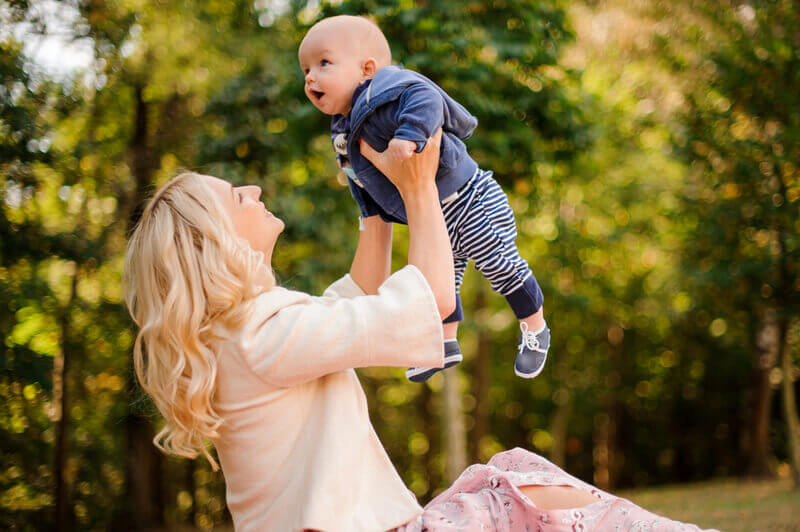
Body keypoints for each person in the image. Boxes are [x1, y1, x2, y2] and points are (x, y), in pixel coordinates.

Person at [123, 132, 715, 531]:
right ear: (217, 243)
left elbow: (355, 297)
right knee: (519, 492)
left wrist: (373, 202)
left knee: (519, 486)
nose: (252, 191)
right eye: (236, 197)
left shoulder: (251, 333)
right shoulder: (263, 333)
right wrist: (420, 187)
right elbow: (431, 300)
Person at [298, 15, 549, 383]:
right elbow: (358, 181)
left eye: (323, 63)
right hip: (435, 216)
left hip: (471, 198)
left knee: (497, 263)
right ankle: (442, 346)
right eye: (305, 69)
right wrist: (372, 215)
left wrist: (410, 133)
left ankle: (535, 327)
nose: (310, 77)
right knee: (436, 286)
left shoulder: (386, 88)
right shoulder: (343, 130)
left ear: (367, 69)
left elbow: (426, 95)